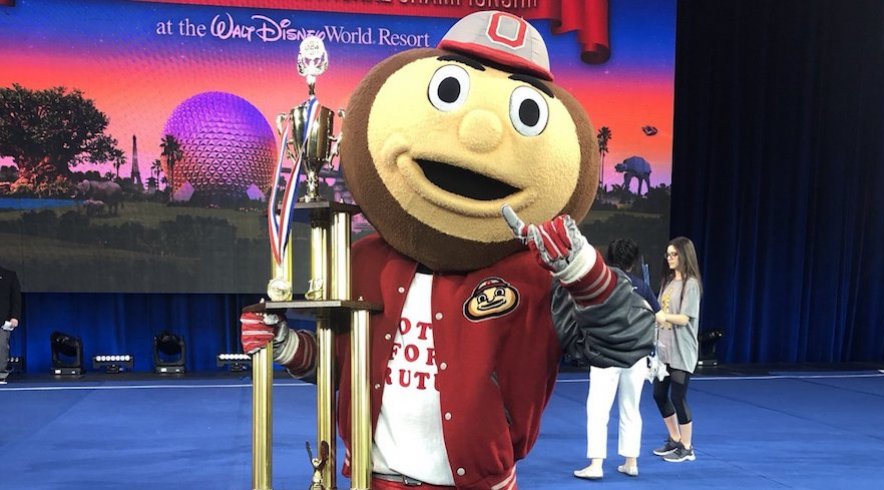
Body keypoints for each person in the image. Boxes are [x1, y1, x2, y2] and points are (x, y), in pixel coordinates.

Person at [240, 10, 655, 489]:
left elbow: (628, 343)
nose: (479, 133)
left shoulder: (538, 275)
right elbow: (339, 369)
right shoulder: (365, 260)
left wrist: (582, 268)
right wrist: (287, 345)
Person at [574, 239, 660, 480]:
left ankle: (596, 464)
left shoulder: (602, 284)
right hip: (635, 357)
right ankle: (631, 461)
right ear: (634, 261)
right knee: (631, 408)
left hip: (605, 355)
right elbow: (658, 317)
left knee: (598, 409)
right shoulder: (641, 286)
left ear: (609, 258)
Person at [651, 236, 702, 463]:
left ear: (684, 256)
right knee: (659, 395)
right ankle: (675, 439)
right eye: (668, 254)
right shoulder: (668, 282)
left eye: (674, 254)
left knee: (678, 398)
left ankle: (687, 447)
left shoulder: (691, 284)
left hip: (682, 351)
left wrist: (663, 316)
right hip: (664, 351)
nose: (670, 258)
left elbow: (684, 318)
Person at [0, 264, 22, 385]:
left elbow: (16, 299)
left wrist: (15, 317)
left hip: (2, 319)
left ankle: (0, 374)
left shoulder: (9, 276)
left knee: (1, 346)